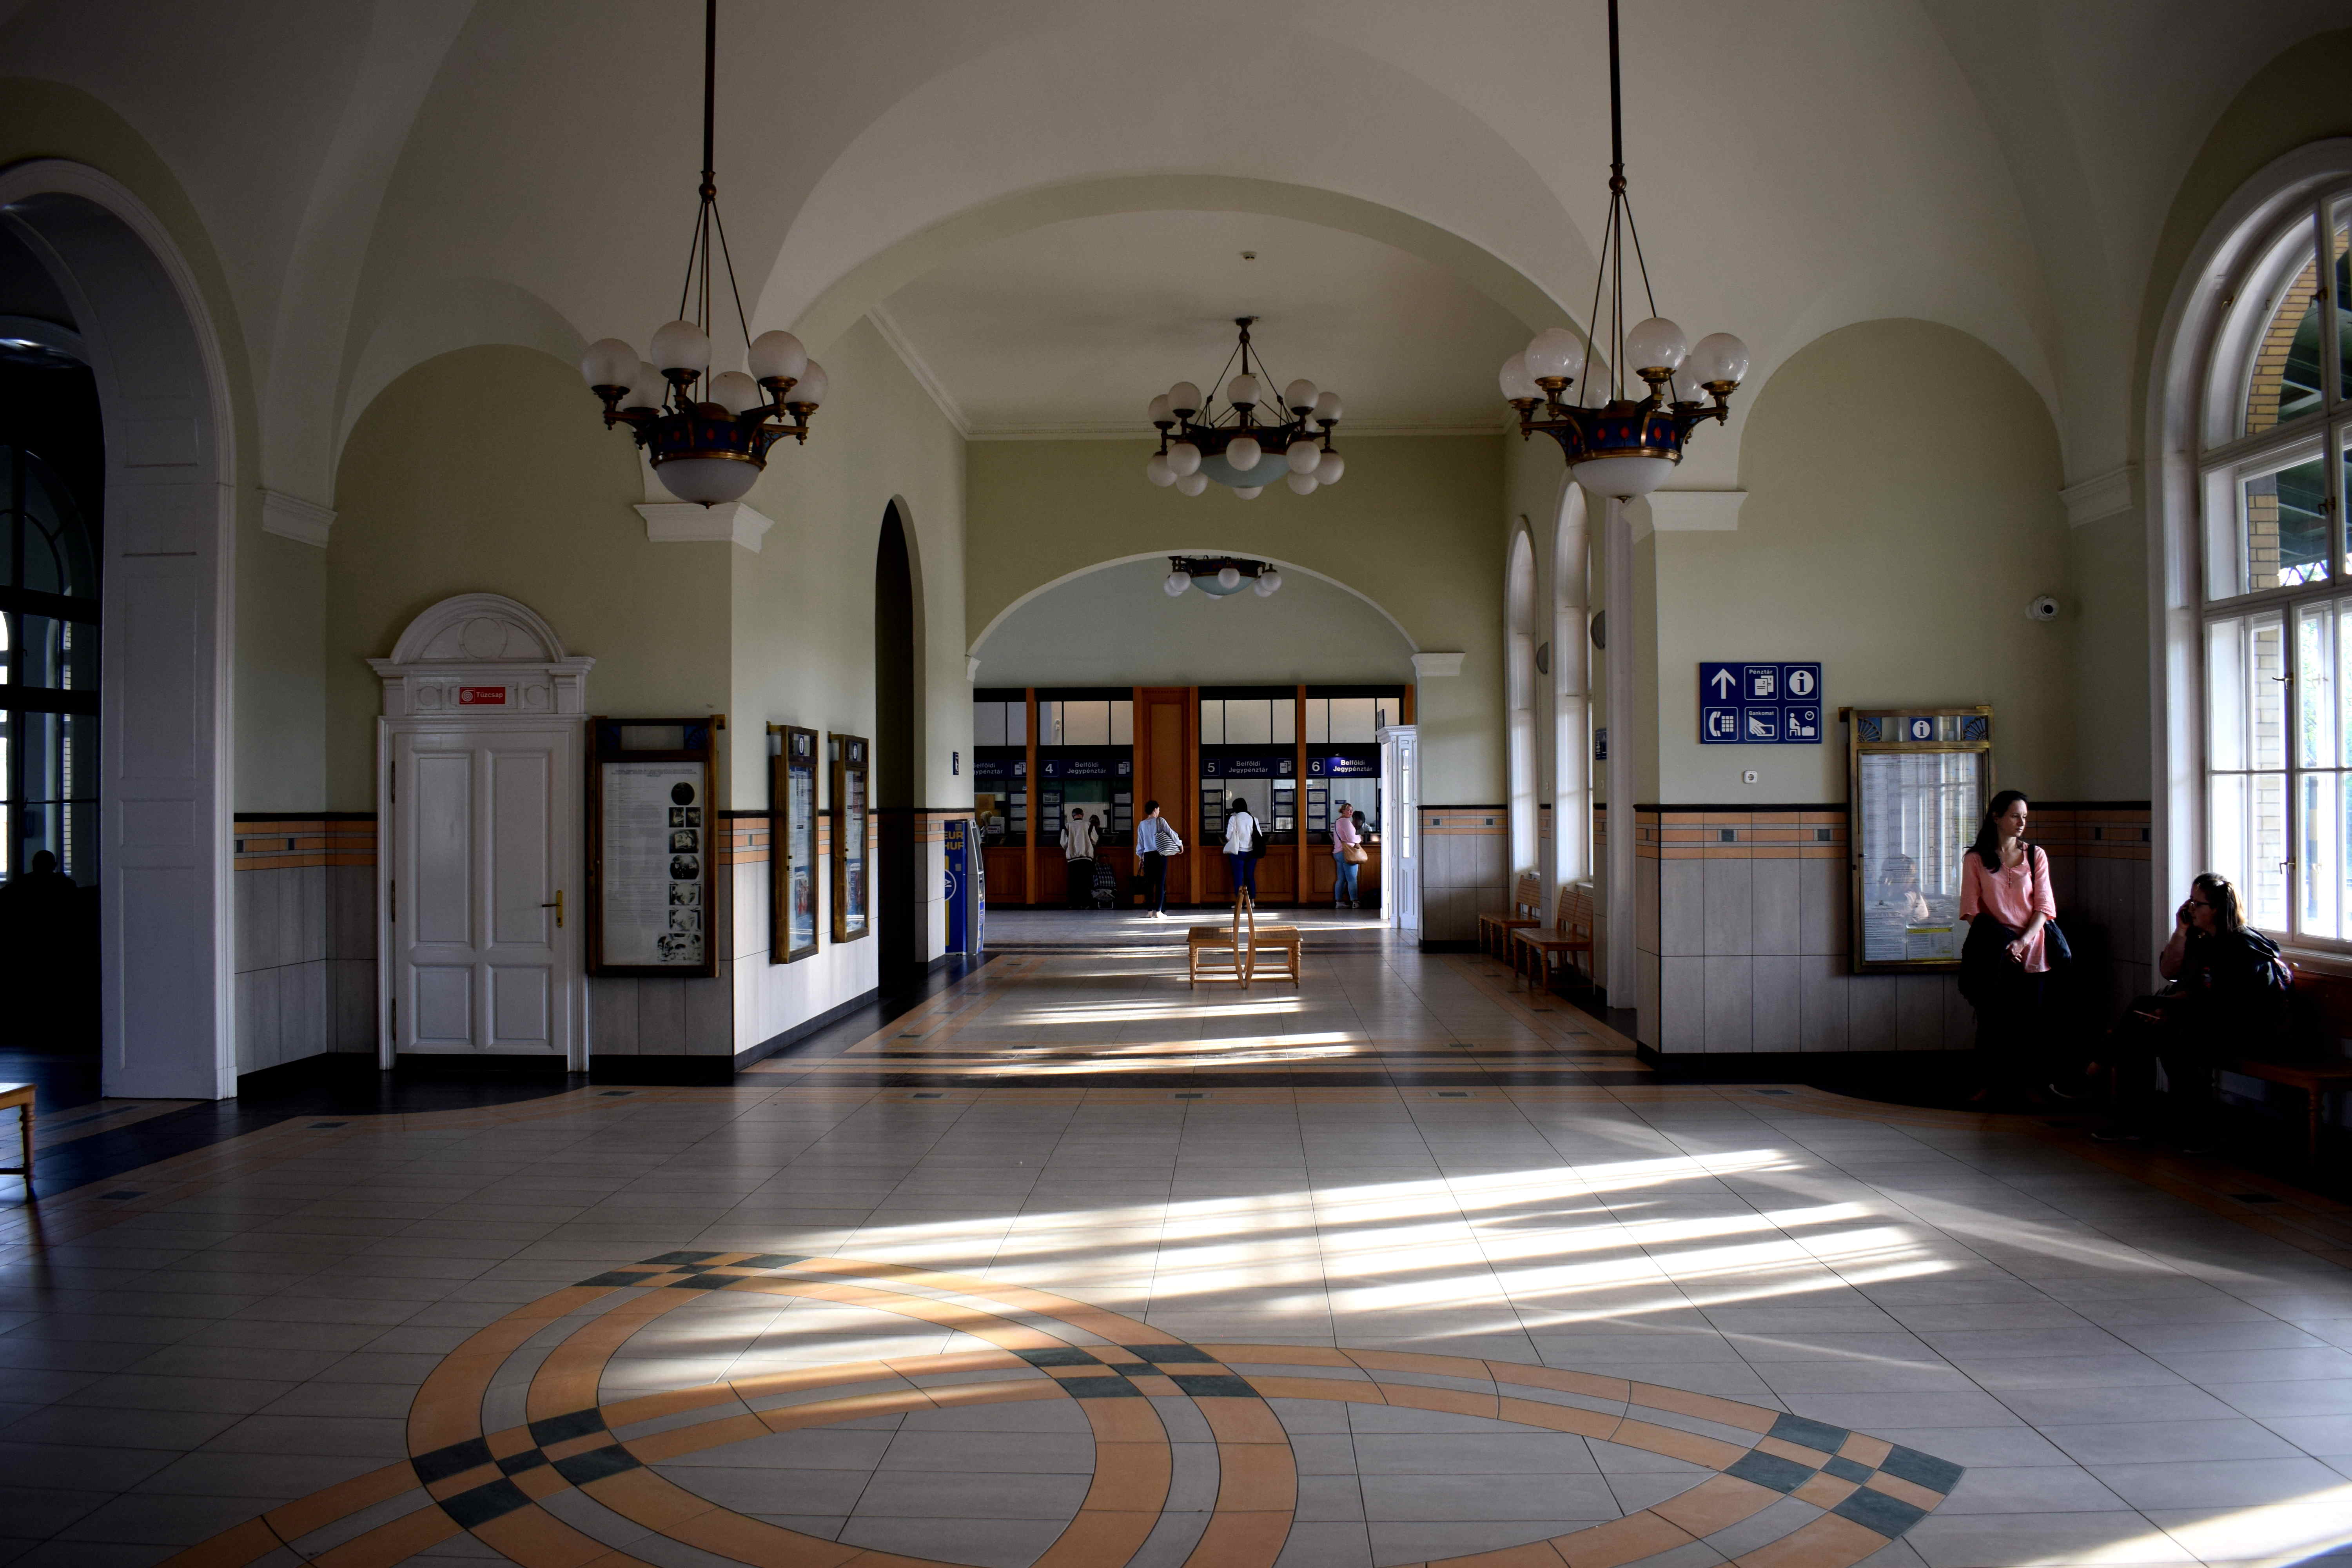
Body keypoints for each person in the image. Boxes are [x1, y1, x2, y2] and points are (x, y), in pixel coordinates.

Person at [2093, 873, 2288, 1151]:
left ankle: (2100, 1069)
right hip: (2203, 1019)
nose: (2190, 909)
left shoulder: (2242, 946)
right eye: (2190, 901)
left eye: (2198, 904)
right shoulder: (2200, 938)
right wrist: (2180, 932)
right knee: (2142, 1031)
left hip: (2246, 1030)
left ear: (2218, 909)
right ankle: (2136, 1123)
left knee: (2166, 1032)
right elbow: (2169, 972)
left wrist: (2177, 1010)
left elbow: (2232, 1004)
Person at [1957, 789, 2057, 1106]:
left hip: (2033, 950)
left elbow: (2044, 906)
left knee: (2031, 1024)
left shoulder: (2035, 855)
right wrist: (2003, 943)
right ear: (1996, 817)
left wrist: (2024, 941)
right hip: (1995, 952)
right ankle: (1990, 1084)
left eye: (2025, 817)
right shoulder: (1976, 858)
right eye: (2015, 816)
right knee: (1992, 1021)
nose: (2021, 823)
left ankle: (2029, 1085)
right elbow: (1970, 909)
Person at [1135, 799, 1181, 917]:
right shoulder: (1161, 821)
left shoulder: (1142, 824)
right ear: (1155, 809)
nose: (1159, 811)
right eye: (1159, 809)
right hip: (1161, 855)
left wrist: (1141, 858)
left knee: (1149, 884)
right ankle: (1159, 911)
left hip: (1148, 856)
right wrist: (1180, 845)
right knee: (1160, 883)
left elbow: (1140, 843)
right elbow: (1171, 833)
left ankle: (1149, 912)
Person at [1223, 795, 1260, 902]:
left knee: (1239, 878)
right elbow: (1259, 836)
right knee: (1250, 877)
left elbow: (1228, 837)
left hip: (1237, 852)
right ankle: (1252, 902)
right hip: (1252, 852)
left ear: (1235, 808)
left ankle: (1239, 903)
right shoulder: (1254, 819)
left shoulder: (1234, 819)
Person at [1060, 806, 1097, 910]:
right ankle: (1086, 904)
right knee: (1086, 882)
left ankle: (1073, 904)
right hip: (1087, 858)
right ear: (1082, 815)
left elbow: (1063, 843)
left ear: (1073, 816)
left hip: (1073, 859)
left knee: (1073, 882)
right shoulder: (1089, 825)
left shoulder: (1067, 826)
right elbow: (1095, 840)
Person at [1332, 797, 1361, 909]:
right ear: (1343, 811)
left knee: (1341, 879)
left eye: (1352, 810)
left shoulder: (1338, 821)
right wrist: (1360, 838)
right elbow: (1352, 838)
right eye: (1349, 810)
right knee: (1352, 879)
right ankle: (1355, 902)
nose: (1351, 812)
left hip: (1338, 853)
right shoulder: (1345, 822)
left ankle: (1339, 902)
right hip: (1347, 853)